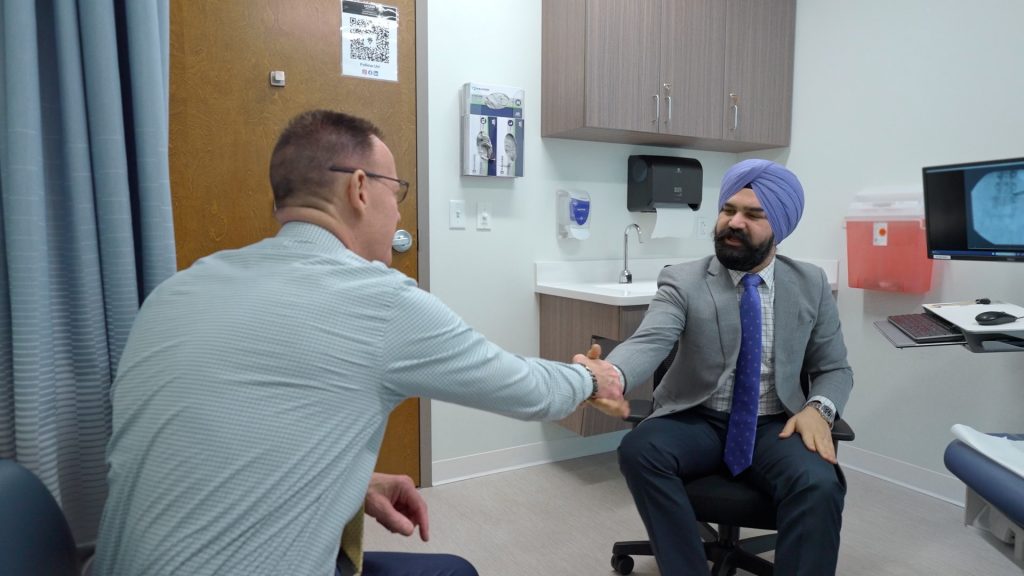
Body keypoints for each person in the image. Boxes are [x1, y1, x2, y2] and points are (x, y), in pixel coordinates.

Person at [92, 109, 627, 576]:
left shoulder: (178, 288)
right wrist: (590, 377)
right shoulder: (379, 302)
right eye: (398, 193)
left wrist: (356, 482)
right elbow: (529, 390)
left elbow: (220, 441)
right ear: (360, 188)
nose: (398, 213)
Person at [608, 159, 853, 576]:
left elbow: (835, 368)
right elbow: (649, 341)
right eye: (728, 210)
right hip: (695, 419)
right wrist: (613, 376)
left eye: (753, 215)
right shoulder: (683, 280)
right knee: (639, 449)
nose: (734, 223)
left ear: (780, 226)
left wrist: (820, 409)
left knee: (819, 483)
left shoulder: (810, 283)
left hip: (775, 424)